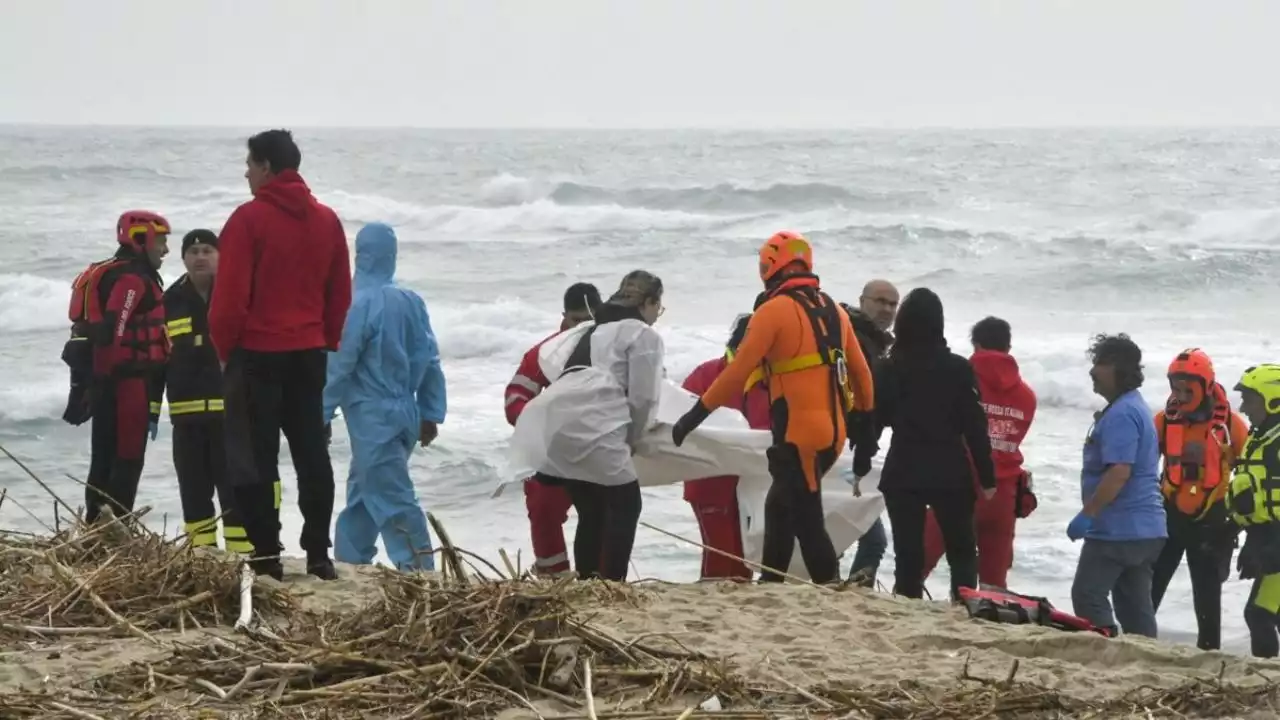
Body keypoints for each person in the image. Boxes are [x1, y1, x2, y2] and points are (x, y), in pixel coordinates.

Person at [671, 231, 875, 585]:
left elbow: (738, 371)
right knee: (779, 505)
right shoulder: (834, 311)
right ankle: (771, 584)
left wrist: (693, 416)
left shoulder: (773, 310)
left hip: (800, 435)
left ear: (771, 266)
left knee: (808, 519)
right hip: (833, 433)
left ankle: (830, 589)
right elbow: (862, 376)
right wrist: (865, 432)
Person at [210, 128, 352, 581]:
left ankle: (267, 553)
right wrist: (325, 338)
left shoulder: (248, 220)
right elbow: (339, 292)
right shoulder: (327, 219)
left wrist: (223, 349)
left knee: (255, 457)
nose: (246, 172)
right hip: (308, 352)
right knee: (311, 452)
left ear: (267, 167)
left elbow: (229, 297)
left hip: (256, 353)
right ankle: (317, 554)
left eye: (250, 164)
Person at [514, 271, 666, 581]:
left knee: (592, 509)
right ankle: (612, 584)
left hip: (555, 425)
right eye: (658, 308)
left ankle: (587, 582)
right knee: (627, 505)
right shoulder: (643, 334)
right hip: (595, 427)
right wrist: (634, 438)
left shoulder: (593, 330)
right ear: (648, 303)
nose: (656, 316)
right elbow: (643, 398)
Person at [322, 222, 447, 573]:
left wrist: (321, 412)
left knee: (392, 497)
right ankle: (350, 561)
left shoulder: (356, 303)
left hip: (371, 414)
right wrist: (431, 412)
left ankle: (420, 571)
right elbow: (431, 359)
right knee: (364, 492)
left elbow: (339, 364)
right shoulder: (411, 301)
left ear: (359, 255)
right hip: (406, 410)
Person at [870, 288, 996, 600]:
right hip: (949, 470)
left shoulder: (889, 366)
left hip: (903, 468)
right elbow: (974, 426)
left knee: (908, 553)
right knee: (963, 551)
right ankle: (964, 606)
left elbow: (874, 419)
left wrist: (861, 460)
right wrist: (987, 476)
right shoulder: (957, 367)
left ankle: (907, 605)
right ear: (938, 323)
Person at [64, 211, 171, 524]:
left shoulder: (114, 272)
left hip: (106, 382)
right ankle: (115, 531)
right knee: (127, 458)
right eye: (161, 242)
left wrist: (93, 385)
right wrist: (106, 381)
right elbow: (115, 327)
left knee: (103, 458)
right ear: (141, 240)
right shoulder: (131, 279)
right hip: (126, 385)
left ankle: (96, 529)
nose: (165, 250)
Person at [920, 316, 1037, 590]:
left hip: (956, 486)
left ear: (976, 344)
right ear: (1009, 348)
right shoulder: (1027, 396)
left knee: (918, 562)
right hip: (1003, 493)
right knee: (993, 583)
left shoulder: (958, 381)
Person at [157, 229, 251, 553]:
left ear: (220, 256)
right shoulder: (168, 302)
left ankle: (244, 559)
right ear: (183, 258)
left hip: (233, 417)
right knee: (194, 494)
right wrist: (151, 409)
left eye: (207, 250)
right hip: (187, 420)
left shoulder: (237, 296)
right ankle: (203, 559)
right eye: (193, 251)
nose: (200, 257)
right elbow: (156, 361)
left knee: (236, 492)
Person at [1068, 333, 1166, 638]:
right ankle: (1146, 658)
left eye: (1100, 363)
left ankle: (1106, 648)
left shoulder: (1123, 414)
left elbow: (1119, 471)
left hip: (1118, 530)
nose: (1092, 371)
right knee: (1135, 607)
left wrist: (1088, 514)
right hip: (1147, 530)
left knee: (1087, 595)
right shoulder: (1134, 407)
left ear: (1119, 369)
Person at [1150, 349, 1247, 651]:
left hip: (1212, 522)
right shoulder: (1163, 422)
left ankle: (1209, 654)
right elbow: (1141, 469)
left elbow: (1252, 475)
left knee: (1207, 598)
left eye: (1186, 388)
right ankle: (1135, 643)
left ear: (1206, 385)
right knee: (1148, 589)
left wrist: (1240, 523)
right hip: (1168, 517)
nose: (1179, 395)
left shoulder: (1232, 426)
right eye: (1174, 387)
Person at [504, 282, 603, 577]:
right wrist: (536, 421)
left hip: (600, 445)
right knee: (543, 502)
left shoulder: (613, 347)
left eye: (589, 320)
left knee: (607, 513)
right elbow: (515, 396)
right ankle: (553, 575)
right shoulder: (547, 352)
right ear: (564, 318)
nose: (582, 327)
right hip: (556, 447)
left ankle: (601, 577)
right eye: (575, 320)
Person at [681, 313, 770, 581]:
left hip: (754, 485)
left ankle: (738, 615)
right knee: (720, 556)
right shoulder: (707, 374)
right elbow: (680, 421)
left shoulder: (771, 380)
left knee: (746, 561)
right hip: (710, 482)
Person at [840, 279, 899, 587]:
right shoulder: (853, 337)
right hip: (841, 450)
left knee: (842, 524)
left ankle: (842, 589)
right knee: (872, 537)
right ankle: (850, 592)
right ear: (863, 301)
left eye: (892, 304)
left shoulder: (876, 342)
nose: (887, 309)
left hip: (854, 451)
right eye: (880, 301)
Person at [1226, 364, 1280, 658]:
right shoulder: (1262, 437)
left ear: (1273, 399)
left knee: (1258, 613)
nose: (1243, 408)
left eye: (1250, 399)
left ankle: (1266, 681)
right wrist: (1231, 529)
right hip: (1265, 537)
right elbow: (1255, 496)